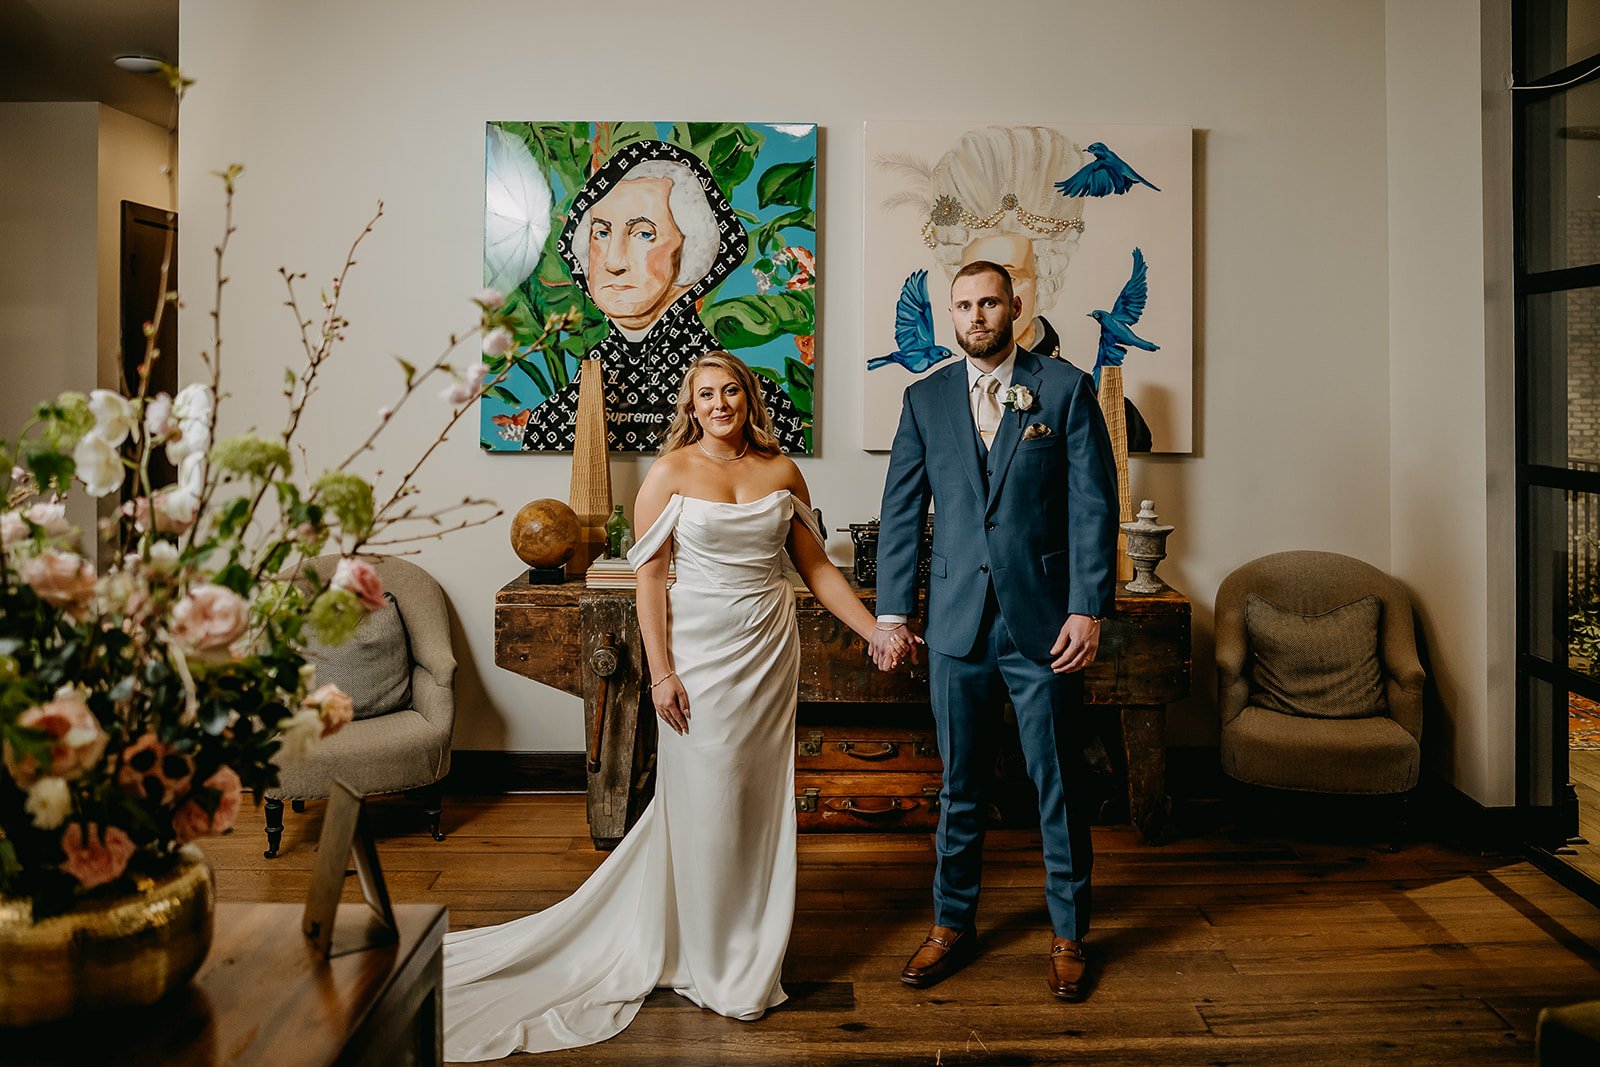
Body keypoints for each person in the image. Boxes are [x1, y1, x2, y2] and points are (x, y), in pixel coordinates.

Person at [444, 351, 894, 1059]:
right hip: (699, 656)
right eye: (706, 394)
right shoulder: (669, 473)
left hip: (767, 650)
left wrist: (874, 630)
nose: (720, 404)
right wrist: (661, 674)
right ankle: (707, 957)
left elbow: (814, 569)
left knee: (754, 800)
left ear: (748, 397)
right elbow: (648, 580)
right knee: (706, 798)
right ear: (691, 405)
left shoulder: (783, 471)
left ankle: (750, 951)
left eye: (730, 390)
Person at [871, 261, 1118, 1002]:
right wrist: (893, 613)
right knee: (960, 786)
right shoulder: (924, 399)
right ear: (951, 315)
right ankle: (952, 923)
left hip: (1045, 624)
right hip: (955, 625)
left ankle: (1069, 932)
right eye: (963, 305)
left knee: (1058, 783)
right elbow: (901, 510)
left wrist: (1087, 607)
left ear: (1015, 307)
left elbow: (1093, 506)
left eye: (988, 303)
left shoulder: (1065, 389)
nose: (976, 316)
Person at [519, 141, 808, 453]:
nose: (613, 261)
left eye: (644, 234)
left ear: (694, 251)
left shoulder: (761, 410)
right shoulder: (554, 418)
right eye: (601, 233)